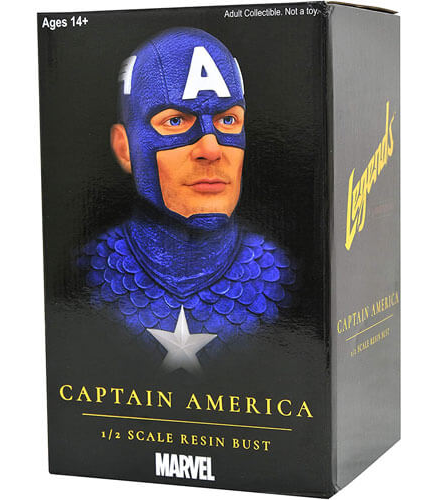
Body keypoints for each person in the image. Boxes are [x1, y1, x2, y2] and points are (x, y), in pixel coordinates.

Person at [79, 27, 297, 374]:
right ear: (125, 148)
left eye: (228, 119)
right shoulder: (88, 270)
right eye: (176, 120)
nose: (211, 147)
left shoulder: (283, 274)